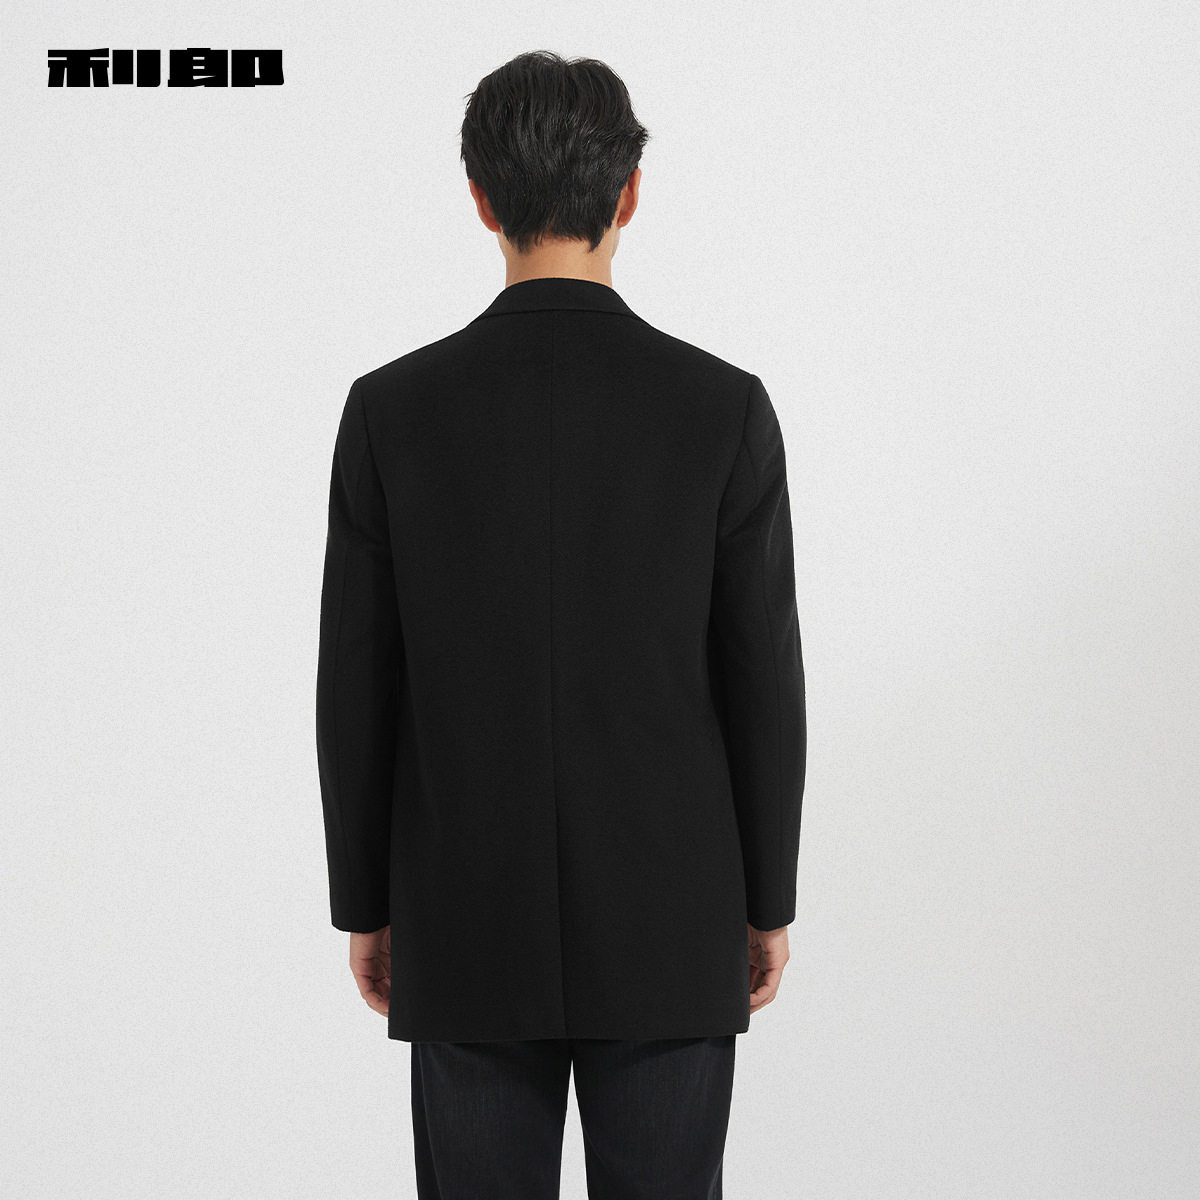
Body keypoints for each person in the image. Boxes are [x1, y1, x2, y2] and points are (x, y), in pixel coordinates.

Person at [315, 48, 806, 1200]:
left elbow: (357, 683)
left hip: (462, 913)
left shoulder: (392, 412)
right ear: (630, 193)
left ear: (480, 199)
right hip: (672, 915)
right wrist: (765, 901)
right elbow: (762, 681)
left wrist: (367, 904)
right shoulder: (722, 409)